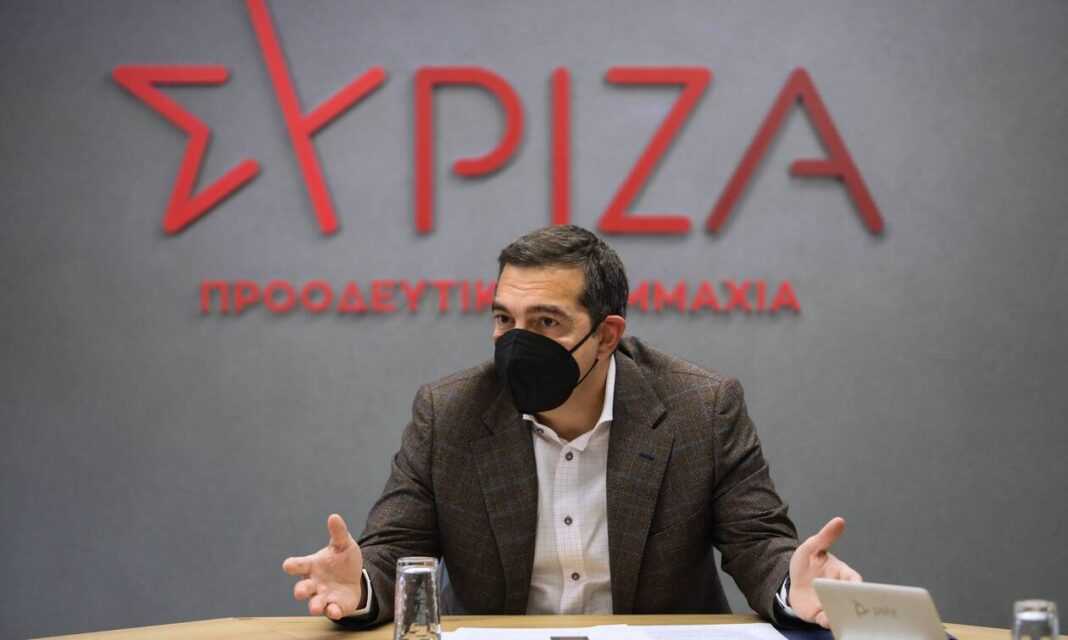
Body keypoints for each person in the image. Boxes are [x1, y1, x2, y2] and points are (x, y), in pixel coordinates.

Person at [282, 225, 861, 629]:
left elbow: (758, 542)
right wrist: (359, 586)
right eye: (504, 319)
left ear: (607, 335)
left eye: (546, 322)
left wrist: (794, 584)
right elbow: (395, 550)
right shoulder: (449, 412)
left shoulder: (701, 410)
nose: (517, 341)